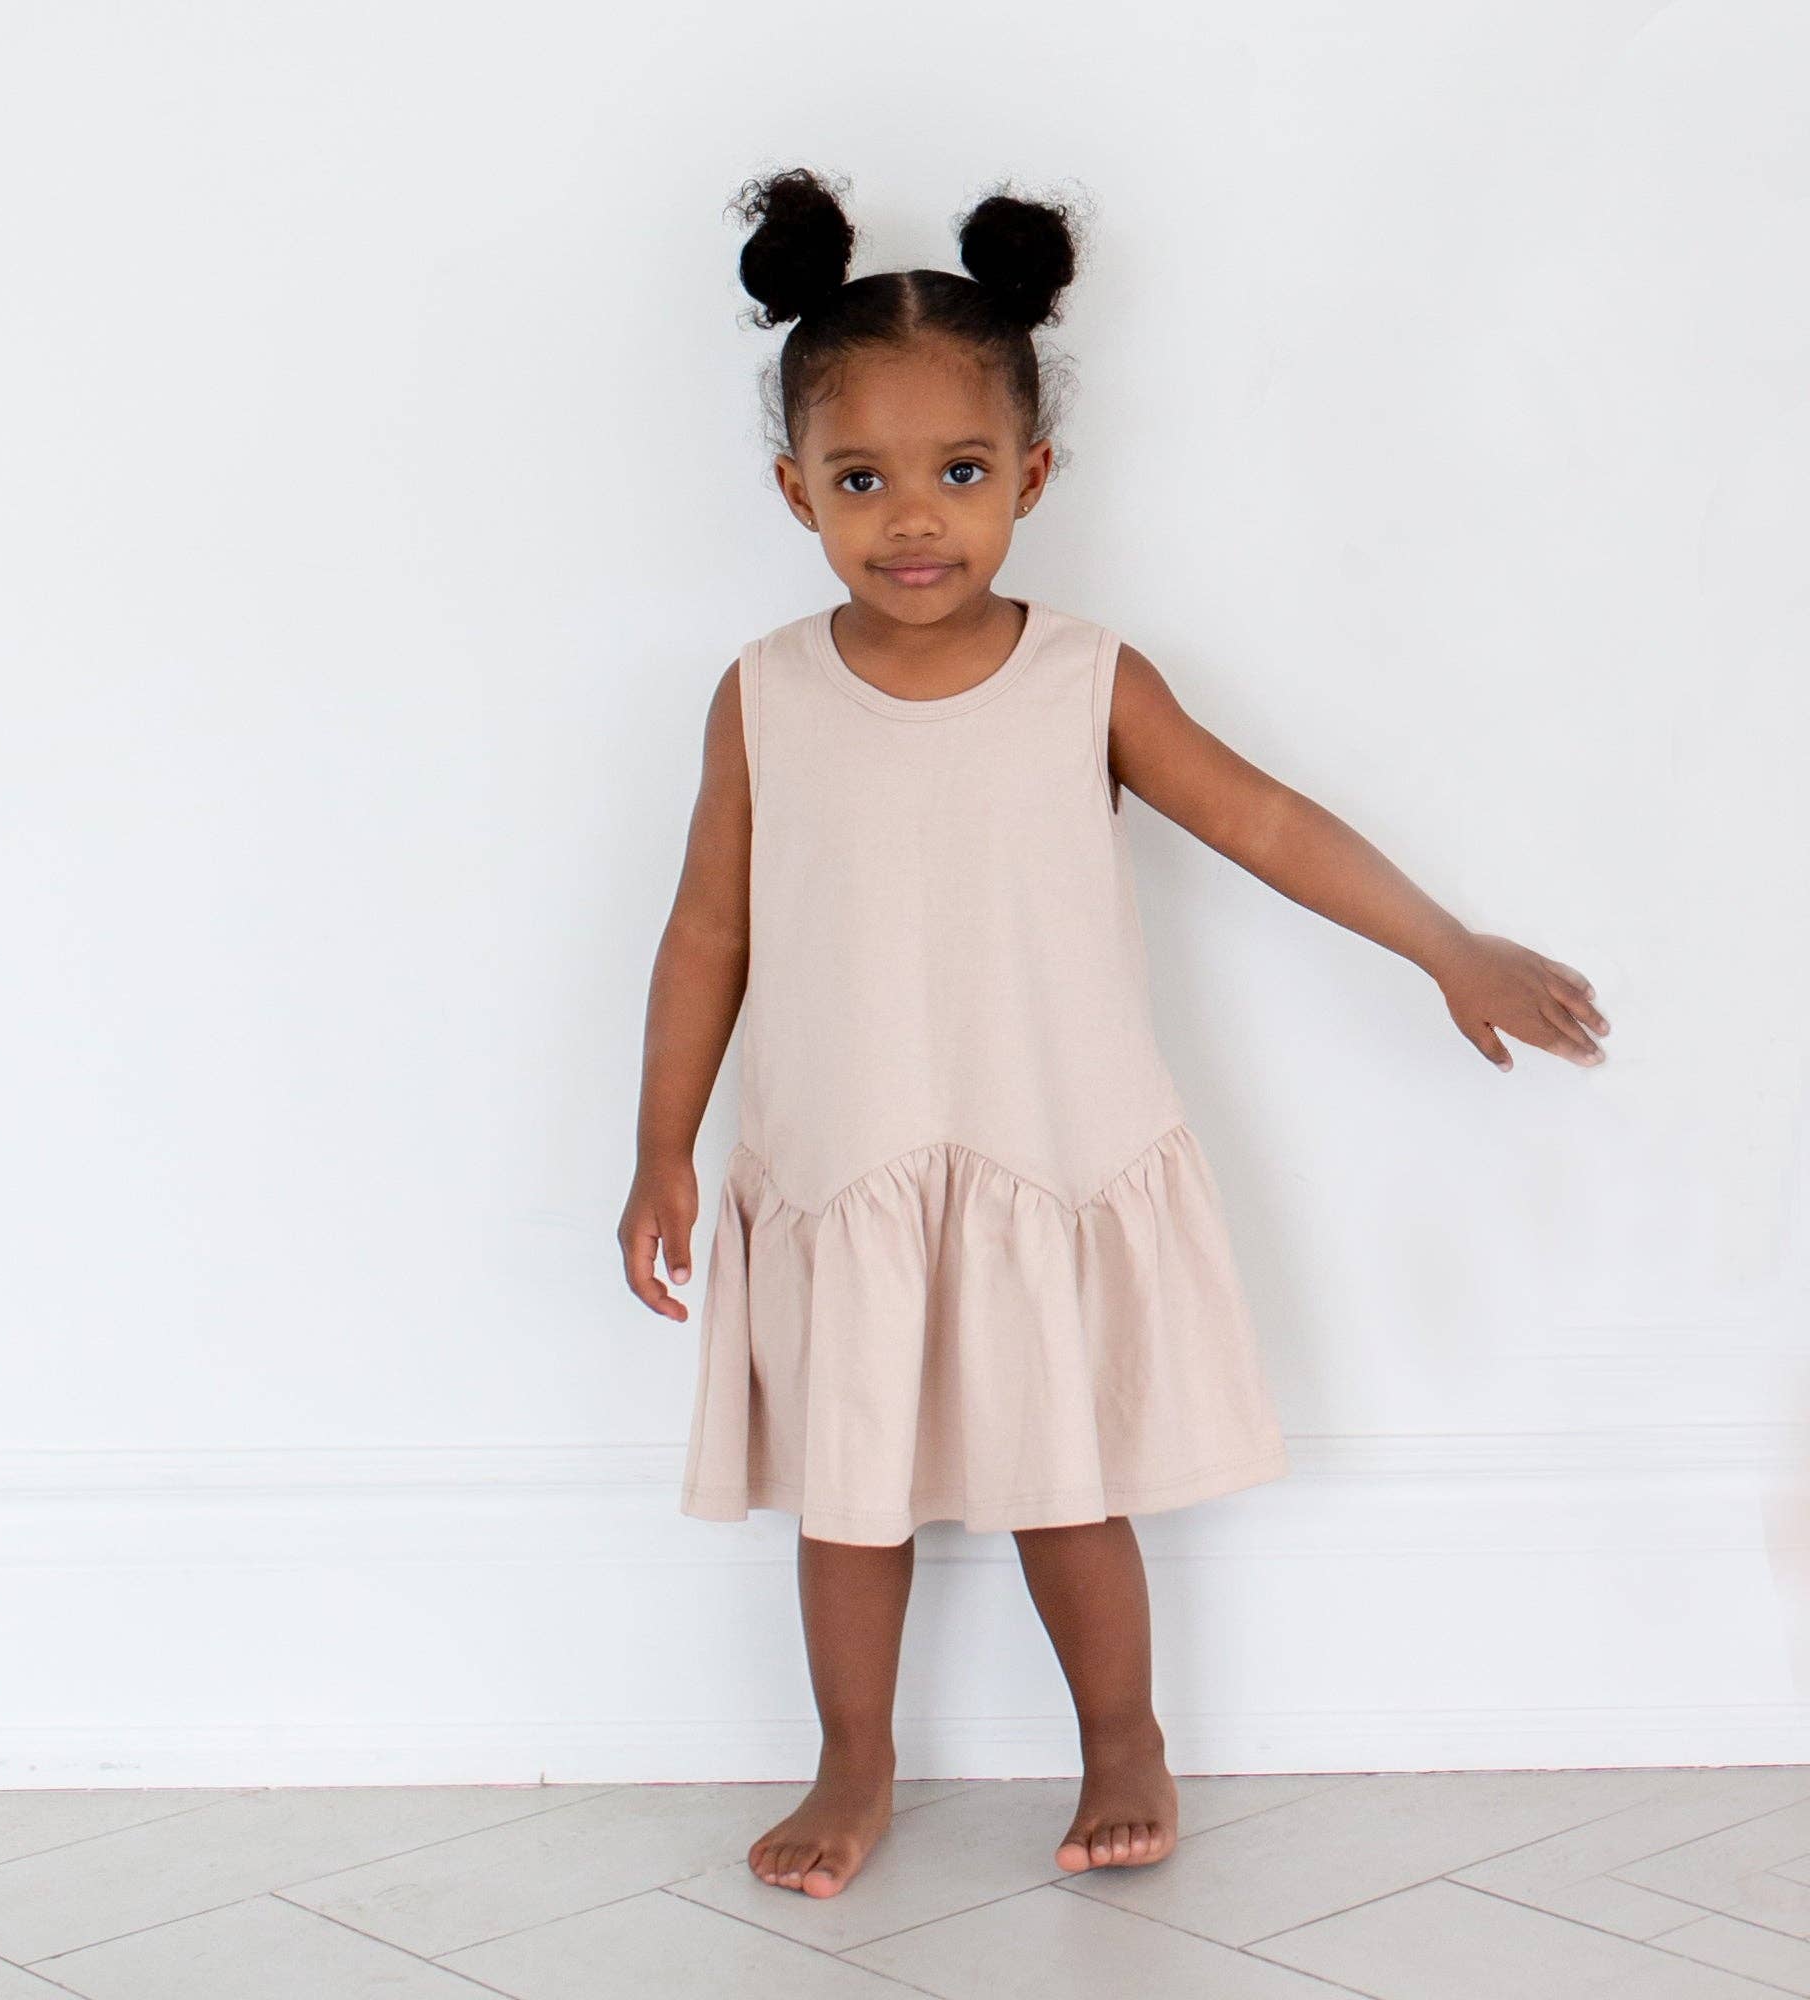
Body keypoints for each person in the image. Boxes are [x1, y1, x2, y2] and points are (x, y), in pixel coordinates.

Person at [617, 165, 1610, 1901]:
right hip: (846, 1159)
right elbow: (710, 929)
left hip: (1042, 1155)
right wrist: (661, 1148)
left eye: (959, 473)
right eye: (861, 480)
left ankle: (1123, 1735)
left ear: (1032, 476)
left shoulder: (1087, 679)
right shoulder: (763, 695)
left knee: (1066, 1486)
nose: (912, 520)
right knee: (849, 1499)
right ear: (795, 490)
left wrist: (1445, 945)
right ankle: (854, 1758)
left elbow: (1266, 822)